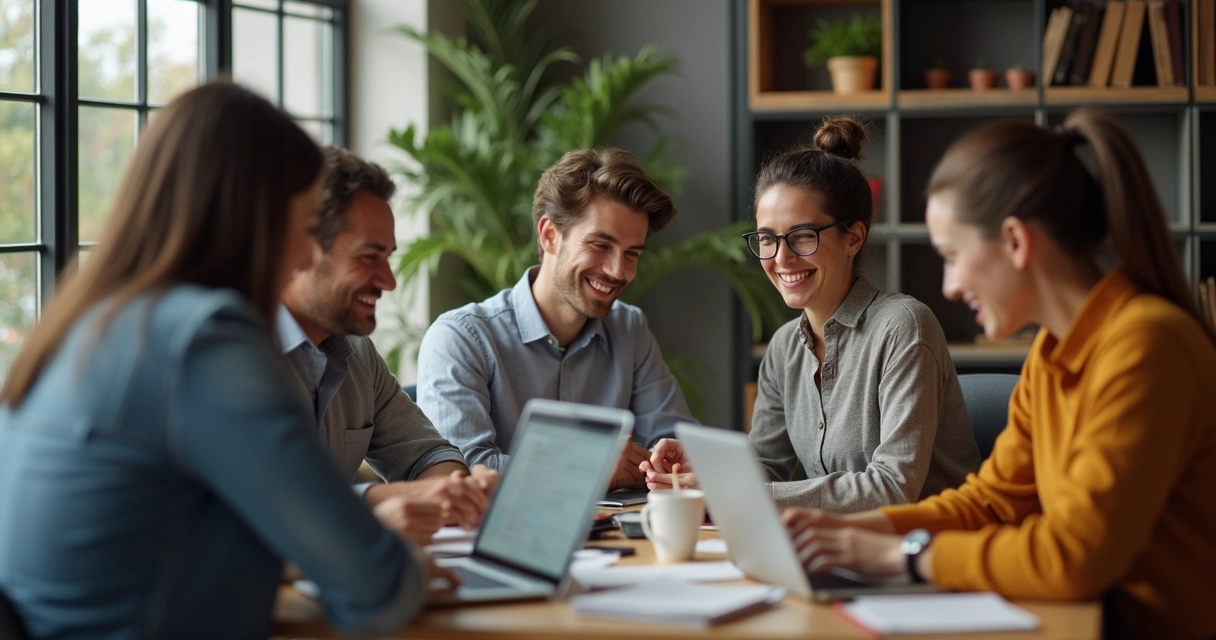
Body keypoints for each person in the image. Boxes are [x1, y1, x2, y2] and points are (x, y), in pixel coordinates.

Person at [0, 81, 454, 639]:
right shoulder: (201, 338)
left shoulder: (94, 321)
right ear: (258, 213)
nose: (311, 253)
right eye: (310, 224)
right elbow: (374, 589)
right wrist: (403, 568)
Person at [782, 110, 1216, 639]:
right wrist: (857, 530)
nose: (949, 285)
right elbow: (991, 501)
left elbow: (1074, 557)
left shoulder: (1147, 345)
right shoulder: (1053, 354)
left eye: (953, 255)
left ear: (1014, 241)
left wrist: (905, 554)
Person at [643, 117, 980, 511]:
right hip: (843, 549)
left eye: (802, 236)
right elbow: (766, 466)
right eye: (767, 238)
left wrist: (735, 493)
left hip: (927, 551)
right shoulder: (784, 348)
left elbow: (892, 487)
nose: (781, 258)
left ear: (853, 237)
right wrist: (700, 471)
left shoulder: (903, 326)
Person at [417, 148, 694, 490]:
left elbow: (674, 447)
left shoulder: (630, 329)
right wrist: (590, 468)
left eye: (632, 254)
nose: (618, 270)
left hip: (619, 539)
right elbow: (462, 473)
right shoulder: (460, 339)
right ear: (549, 235)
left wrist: (672, 461)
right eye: (600, 245)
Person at [280, 146, 498, 537]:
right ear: (302, 250)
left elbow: (428, 454)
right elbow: (265, 511)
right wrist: (382, 503)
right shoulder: (233, 355)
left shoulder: (357, 352)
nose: (389, 281)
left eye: (389, 257)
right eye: (369, 257)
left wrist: (451, 490)